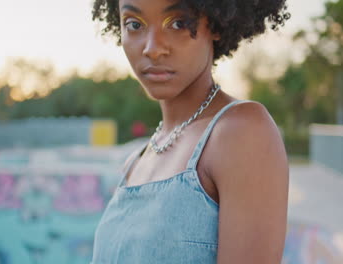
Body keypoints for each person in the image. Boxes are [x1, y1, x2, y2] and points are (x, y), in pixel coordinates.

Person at [90, 0, 291, 263]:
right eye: (134, 24)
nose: (152, 49)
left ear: (217, 25)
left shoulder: (240, 131)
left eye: (178, 23)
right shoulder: (136, 161)